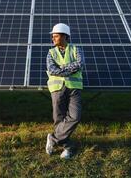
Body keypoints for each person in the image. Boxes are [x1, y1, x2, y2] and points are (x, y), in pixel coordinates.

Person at [45, 23, 84, 159]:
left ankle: (54, 139)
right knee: (59, 118)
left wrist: (61, 68)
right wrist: (68, 69)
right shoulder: (51, 52)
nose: (53, 39)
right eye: (53, 36)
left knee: (75, 116)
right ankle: (67, 147)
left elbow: (79, 64)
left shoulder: (76, 49)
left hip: (74, 88)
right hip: (57, 89)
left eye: (56, 36)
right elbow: (52, 69)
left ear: (64, 36)